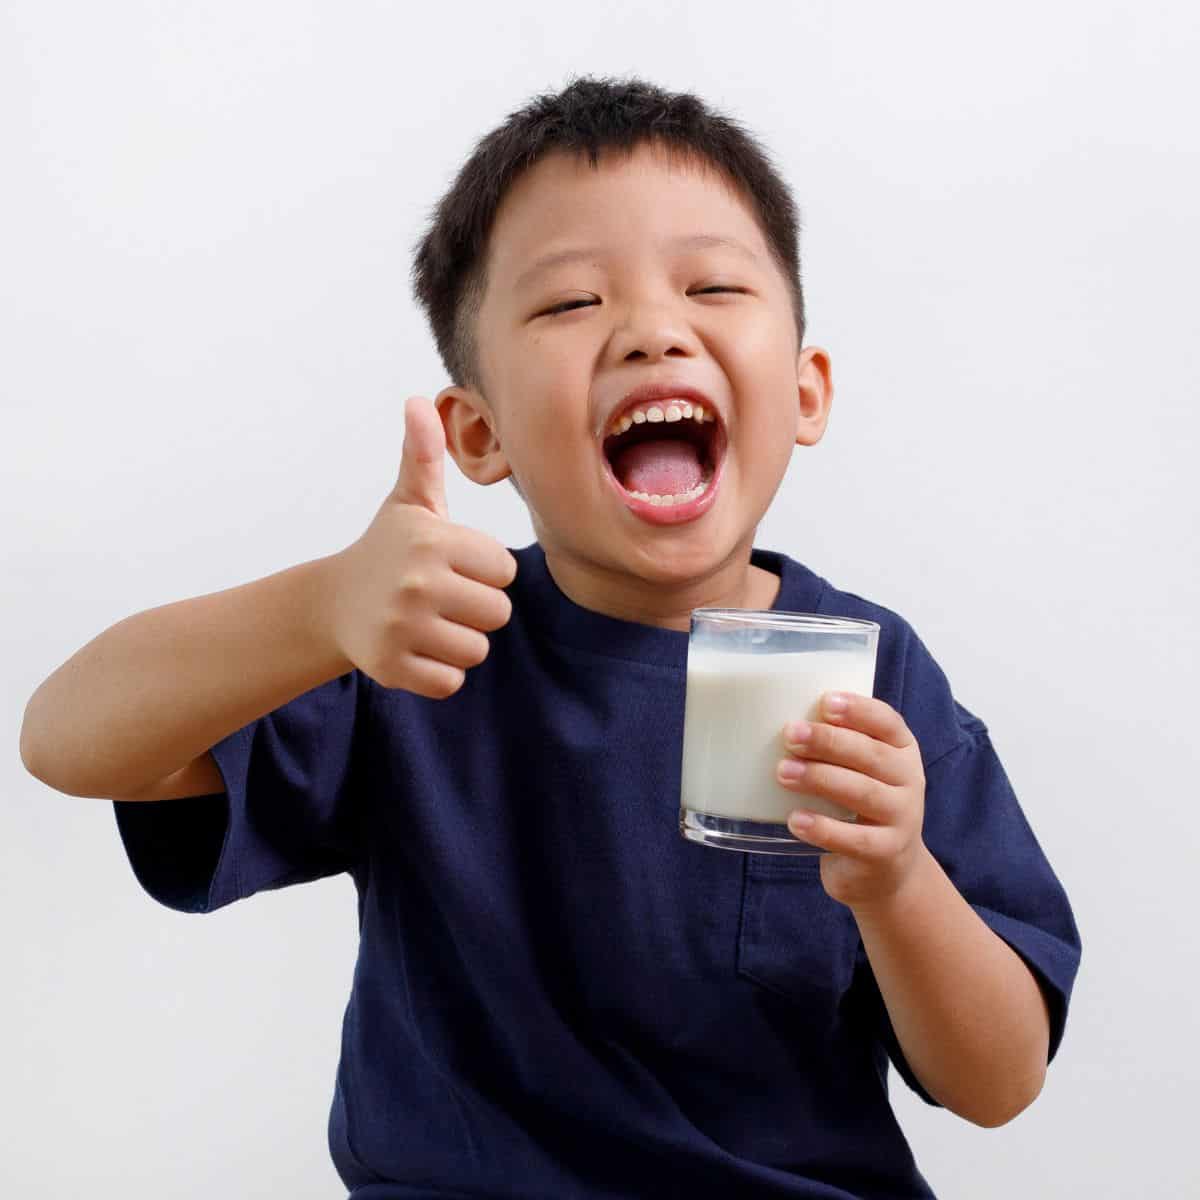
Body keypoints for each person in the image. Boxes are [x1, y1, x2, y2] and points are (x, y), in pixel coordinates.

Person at [20, 75, 1081, 1199]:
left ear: (807, 391)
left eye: (713, 284)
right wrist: (322, 606)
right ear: (477, 431)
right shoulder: (424, 653)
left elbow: (998, 1083)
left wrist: (896, 880)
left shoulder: (874, 675)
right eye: (572, 303)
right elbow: (67, 740)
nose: (653, 331)